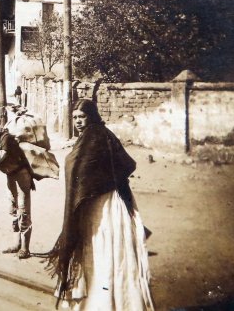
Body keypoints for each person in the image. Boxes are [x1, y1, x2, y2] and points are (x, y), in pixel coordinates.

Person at [46, 99, 154, 310]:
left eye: (82, 117)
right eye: (75, 117)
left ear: (91, 116)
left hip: (103, 204)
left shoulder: (95, 136)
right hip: (98, 200)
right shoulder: (96, 135)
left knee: (103, 248)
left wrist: (94, 185)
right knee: (100, 249)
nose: (77, 121)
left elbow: (83, 169)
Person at [0, 117, 35, 259]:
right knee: (12, 209)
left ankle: (25, 248)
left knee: (23, 210)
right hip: (10, 175)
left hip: (21, 175)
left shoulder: (5, 138)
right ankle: (16, 244)